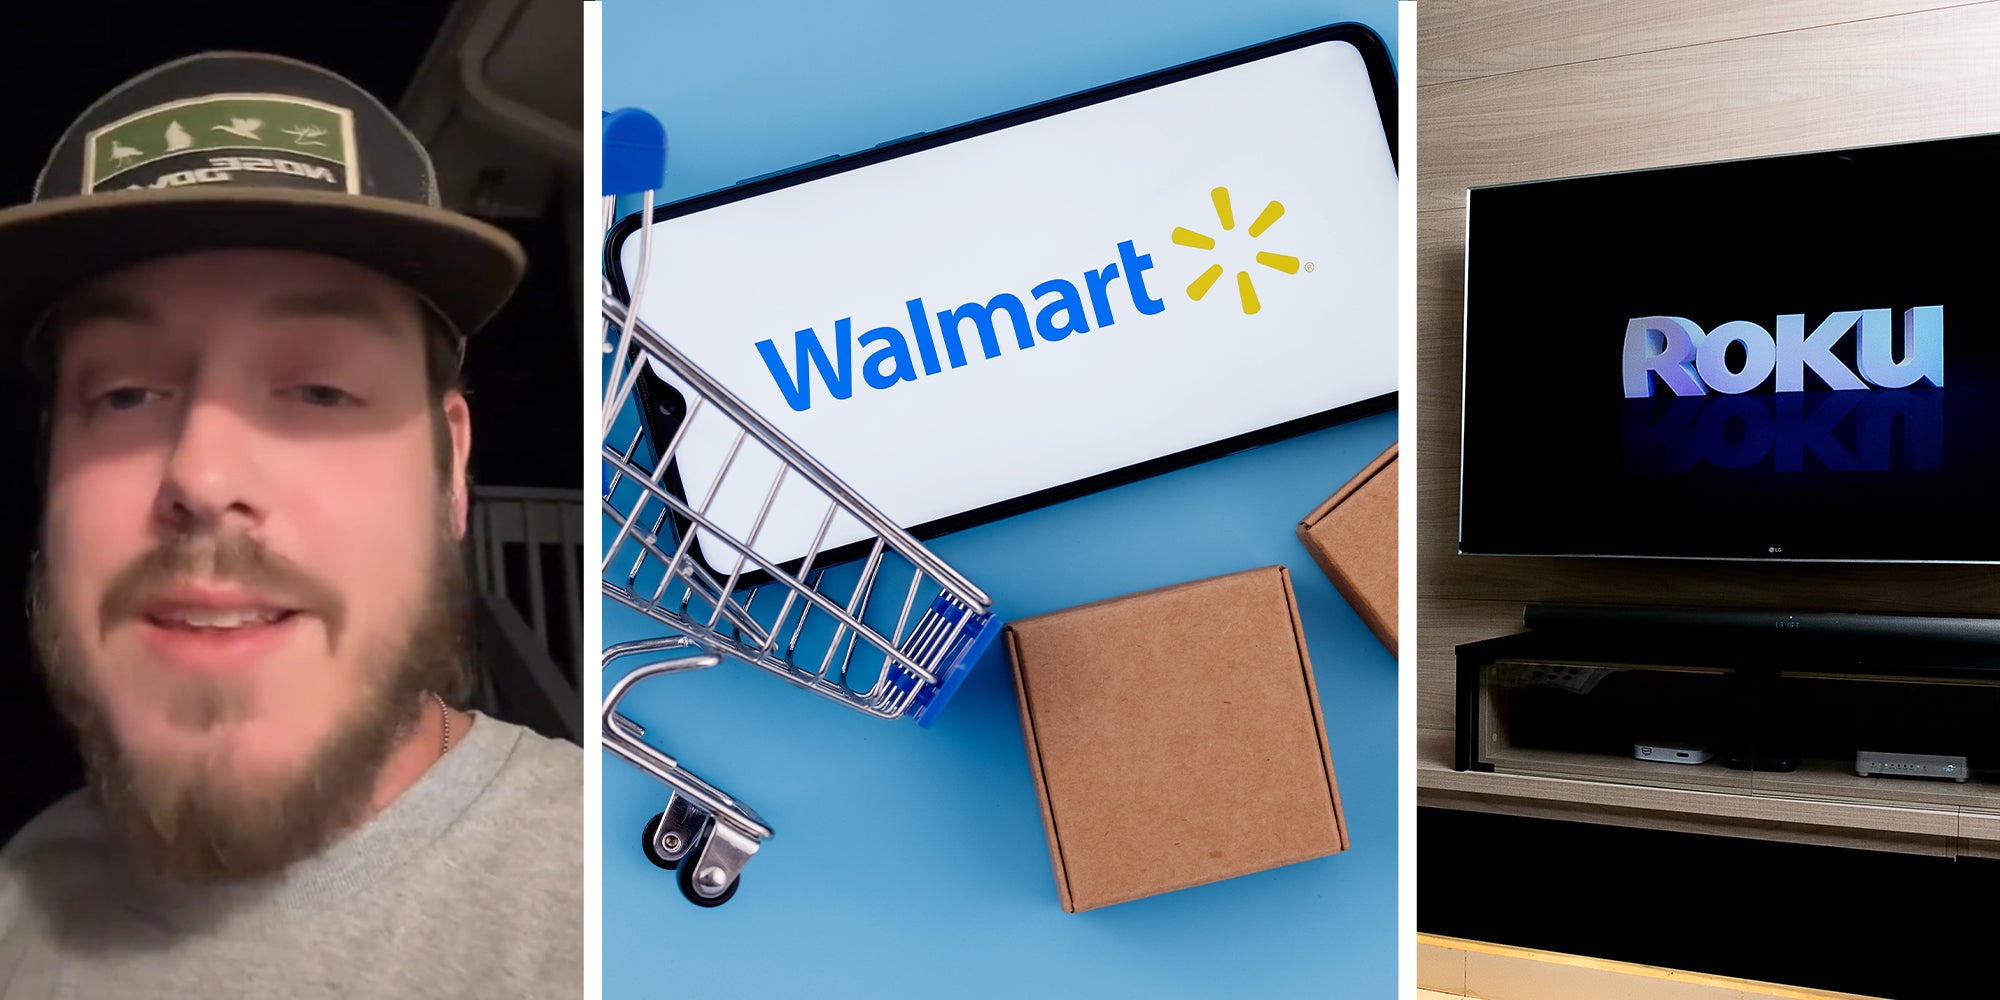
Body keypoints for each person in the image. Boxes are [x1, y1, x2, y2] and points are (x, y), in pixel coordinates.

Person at [0, 52, 582, 996]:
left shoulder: (642, 906)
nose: (203, 472)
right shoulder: (20, 901)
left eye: (321, 387)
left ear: (451, 468)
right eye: (123, 394)